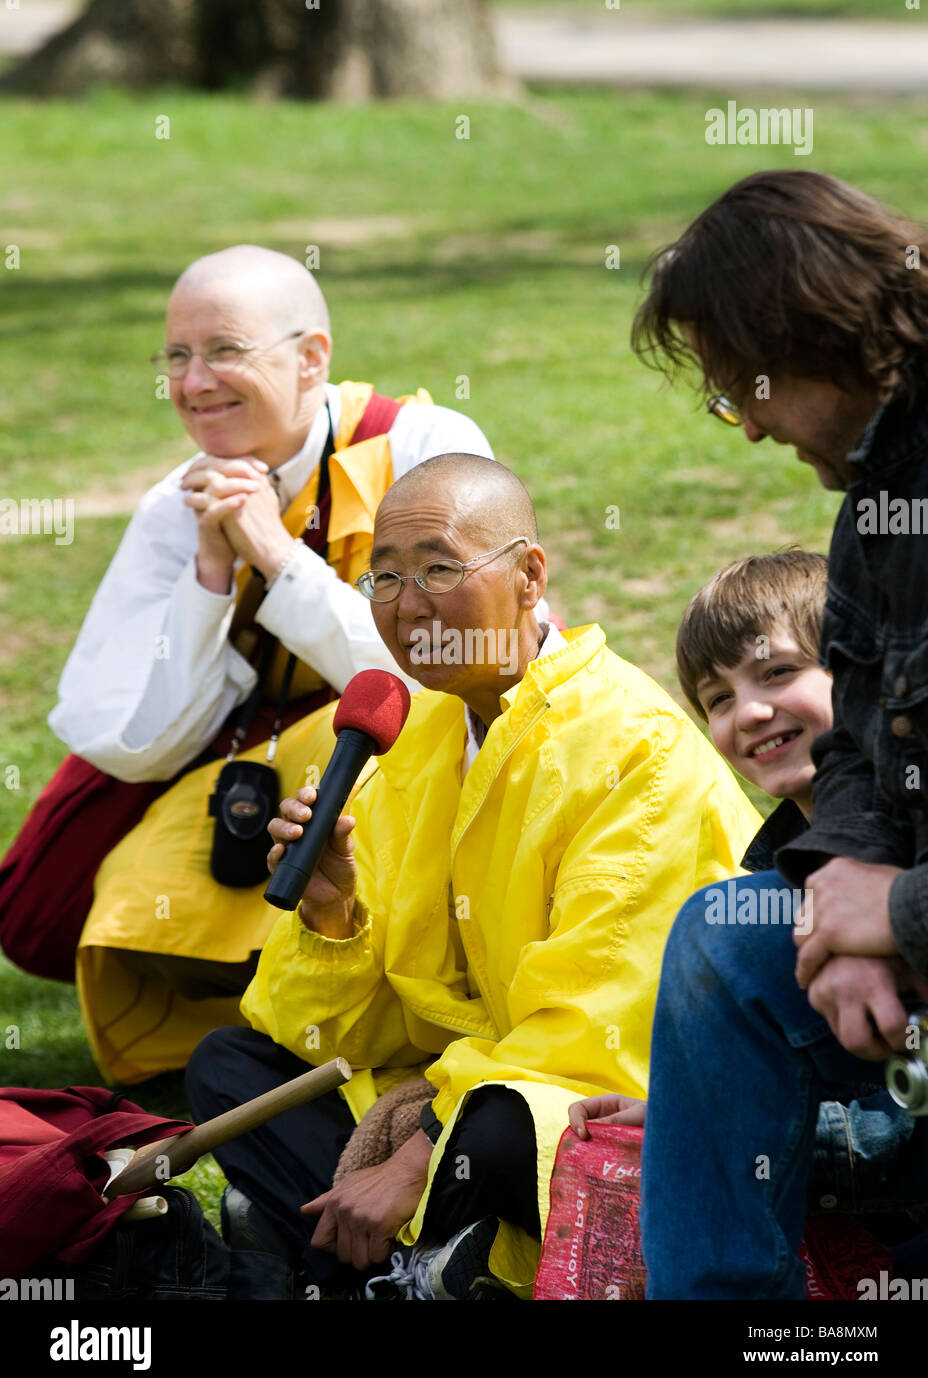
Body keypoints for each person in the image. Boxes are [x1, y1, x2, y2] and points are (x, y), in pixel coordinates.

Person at [185, 452, 761, 1300]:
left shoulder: (633, 750)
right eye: (383, 578)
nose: (409, 605)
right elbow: (345, 1040)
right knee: (233, 1068)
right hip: (470, 1071)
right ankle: (422, 1275)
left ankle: (363, 1271)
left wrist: (418, 1149)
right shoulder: (407, 740)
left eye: (439, 569)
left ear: (530, 576)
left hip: (621, 1096)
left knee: (502, 1128)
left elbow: (594, 1029)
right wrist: (333, 915)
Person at [7, 245, 496, 1084]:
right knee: (52, 900)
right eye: (176, 357)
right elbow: (121, 733)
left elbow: (451, 669)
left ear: (312, 358)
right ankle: (252, 1020)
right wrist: (209, 574)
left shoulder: (422, 445)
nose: (194, 383)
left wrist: (277, 557)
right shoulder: (182, 501)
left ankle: (392, 1003)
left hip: (412, 747)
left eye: (225, 351)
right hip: (246, 750)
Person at [626, 169, 928, 1298]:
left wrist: (893, 910)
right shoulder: (874, 509)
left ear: (804, 329)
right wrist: (848, 878)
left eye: (736, 386)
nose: (744, 425)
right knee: (731, 925)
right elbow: (857, 739)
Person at [570, 552, 919, 1277]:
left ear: (857, 676)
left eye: (778, 672)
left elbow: (895, 1126)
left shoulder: (907, 846)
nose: (750, 712)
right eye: (718, 699)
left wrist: (721, 1136)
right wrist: (695, 1114)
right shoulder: (764, 881)